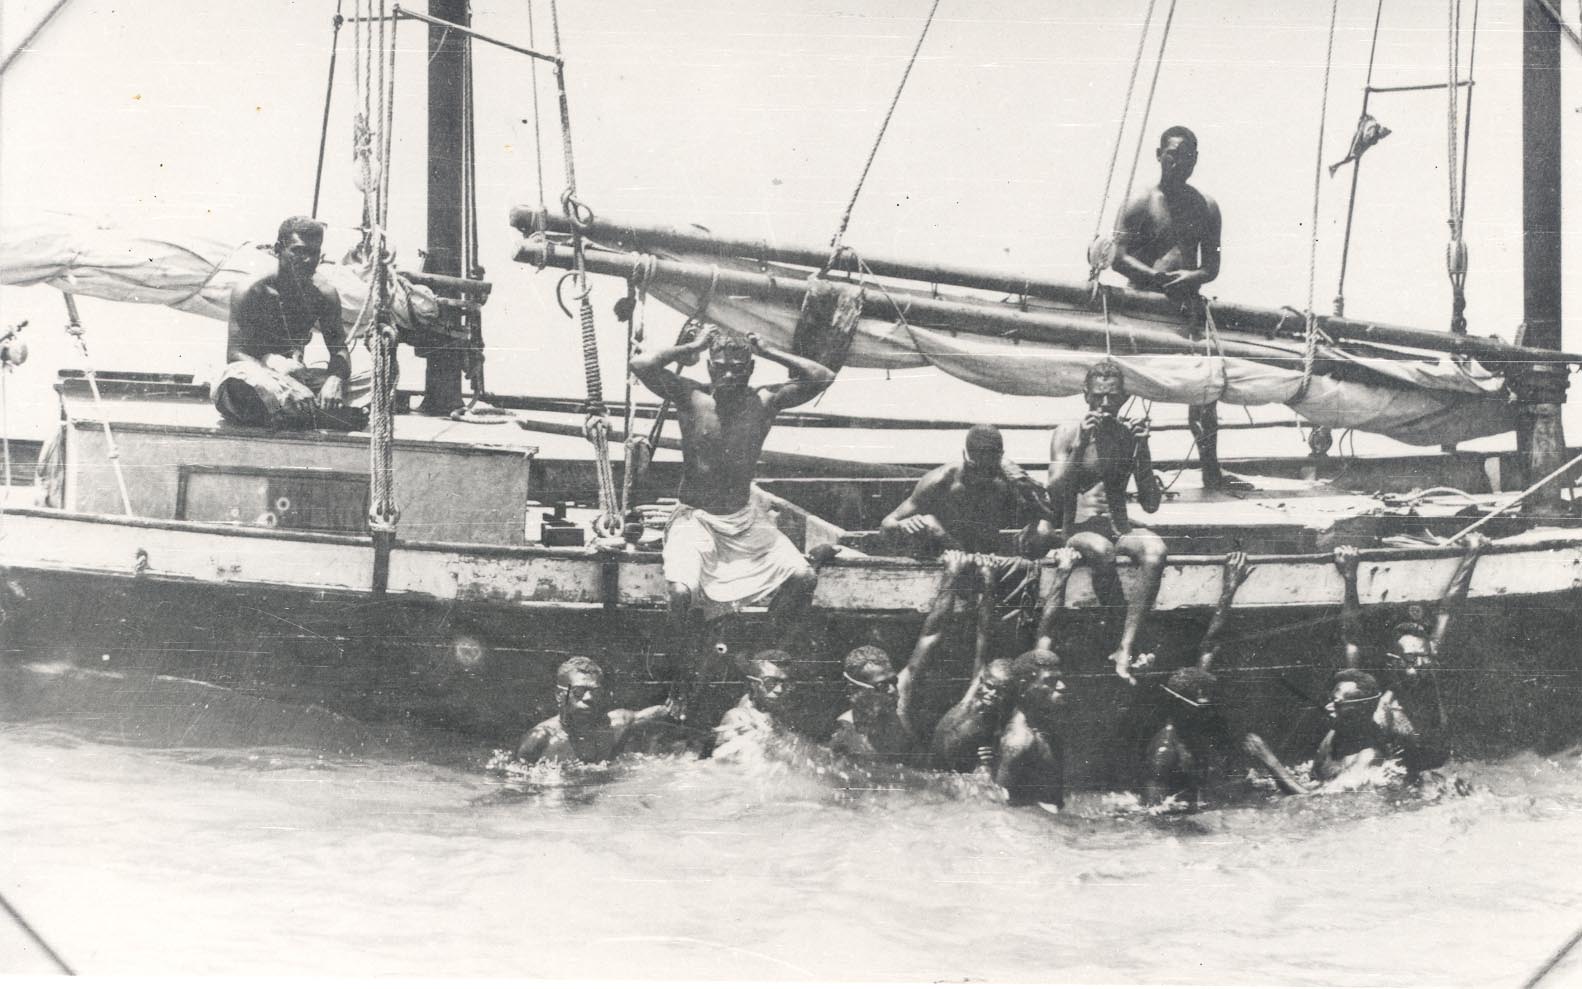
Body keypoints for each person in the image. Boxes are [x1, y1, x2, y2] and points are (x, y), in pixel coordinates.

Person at [630, 326, 835, 714]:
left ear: (751, 368)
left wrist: (771, 349)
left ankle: (761, 655)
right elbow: (640, 363)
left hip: (745, 520)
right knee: (679, 594)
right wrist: (692, 345)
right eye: (720, 367)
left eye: (738, 369)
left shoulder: (765, 400)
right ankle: (678, 677)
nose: (728, 375)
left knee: (803, 577)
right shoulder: (690, 395)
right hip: (697, 519)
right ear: (709, 365)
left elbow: (822, 377)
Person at [1111, 125, 1240, 490]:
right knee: (1118, 389)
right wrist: (1156, 280)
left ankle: (1210, 470)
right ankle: (1105, 472)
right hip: (1141, 306)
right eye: (1172, 154)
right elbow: (1116, 259)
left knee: (1204, 392)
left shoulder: (1206, 206)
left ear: (1195, 161)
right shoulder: (1139, 202)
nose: (1178, 162)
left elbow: (1211, 267)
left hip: (1187, 308)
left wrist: (1192, 277)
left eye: (1186, 156)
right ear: (1158, 154)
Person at [1140, 553, 1311, 807]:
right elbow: (1152, 813)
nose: (1210, 712)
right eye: (1203, 708)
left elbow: (1210, 645)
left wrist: (1229, 588)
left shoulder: (1194, 711)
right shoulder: (1165, 753)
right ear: (1182, 708)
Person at [1316, 536, 1487, 781]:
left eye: (1421, 660)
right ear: (1391, 664)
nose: (1416, 669)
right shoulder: (1376, 709)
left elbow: (1448, 611)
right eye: (1406, 662)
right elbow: (1352, 640)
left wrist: (1472, 553)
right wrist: (1350, 577)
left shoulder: (1429, 664)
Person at [1046, 359, 1167, 683]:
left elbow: (1151, 504)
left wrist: (1144, 449)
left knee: (1155, 551)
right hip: (1079, 530)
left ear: (1123, 398)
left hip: (1120, 528)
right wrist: (1082, 443)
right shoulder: (1068, 432)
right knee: (1101, 550)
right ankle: (1119, 637)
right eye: (1098, 396)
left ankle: (1126, 647)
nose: (1104, 404)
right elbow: (1056, 494)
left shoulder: (1128, 435)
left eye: (1112, 397)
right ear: (1085, 394)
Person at [216, 216, 356, 429]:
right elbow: (235, 353)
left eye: (313, 253)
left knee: (372, 380)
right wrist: (289, 385)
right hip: (259, 375)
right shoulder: (251, 290)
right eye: (298, 251)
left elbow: (339, 350)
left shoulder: (324, 293)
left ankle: (296, 412)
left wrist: (334, 380)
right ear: (278, 249)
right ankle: (314, 414)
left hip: (298, 377)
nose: (307, 260)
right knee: (236, 380)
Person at [880, 424, 1053, 557]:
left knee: (1043, 531)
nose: (981, 476)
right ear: (965, 455)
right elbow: (887, 524)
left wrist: (1033, 517)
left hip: (989, 554)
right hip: (948, 553)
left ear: (1000, 456)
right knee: (929, 522)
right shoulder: (941, 481)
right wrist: (904, 524)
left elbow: (1046, 514)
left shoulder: (1010, 478)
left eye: (989, 470)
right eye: (975, 468)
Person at [514, 656, 677, 765]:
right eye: (579, 691)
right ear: (559, 695)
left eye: (595, 692)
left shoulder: (615, 725)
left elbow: (655, 714)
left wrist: (677, 704)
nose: (589, 698)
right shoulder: (539, 739)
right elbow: (516, 790)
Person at [994, 648, 1069, 809]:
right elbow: (998, 808)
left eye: (1060, 679)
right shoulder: (1019, 741)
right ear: (1024, 687)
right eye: (1050, 681)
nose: (1062, 686)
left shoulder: (1044, 726)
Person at [713, 649, 795, 752]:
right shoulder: (737, 719)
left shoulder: (778, 718)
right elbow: (722, 765)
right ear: (752, 683)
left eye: (785, 684)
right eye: (770, 683)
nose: (779, 690)